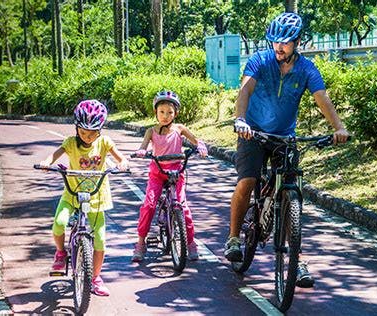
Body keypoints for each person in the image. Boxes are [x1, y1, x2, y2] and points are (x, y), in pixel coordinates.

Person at [224, 13, 349, 288]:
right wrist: (241, 119)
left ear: (298, 42)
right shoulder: (259, 61)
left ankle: (297, 259)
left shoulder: (307, 69)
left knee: (292, 192)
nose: (279, 47)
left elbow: (322, 98)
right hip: (253, 132)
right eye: (275, 42)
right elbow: (245, 90)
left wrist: (339, 128)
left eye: (285, 43)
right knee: (248, 180)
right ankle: (234, 237)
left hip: (284, 137)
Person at [39, 100, 129, 296]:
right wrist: (47, 162)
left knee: (101, 240)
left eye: (93, 133)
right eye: (83, 132)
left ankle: (95, 277)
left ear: (100, 130)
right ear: (76, 127)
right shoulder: (71, 143)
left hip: (97, 196)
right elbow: (55, 155)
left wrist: (122, 163)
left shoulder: (104, 142)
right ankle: (61, 252)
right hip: (72, 194)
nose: (88, 137)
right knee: (59, 223)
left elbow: (120, 157)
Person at [131, 90, 208, 262]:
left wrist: (201, 147)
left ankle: (190, 242)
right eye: (162, 112)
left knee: (183, 207)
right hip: (157, 173)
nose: (166, 116)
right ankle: (141, 242)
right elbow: (143, 146)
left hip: (177, 173)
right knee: (149, 205)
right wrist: (142, 151)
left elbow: (196, 141)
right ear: (155, 113)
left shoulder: (179, 129)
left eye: (170, 112)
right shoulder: (151, 131)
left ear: (176, 113)